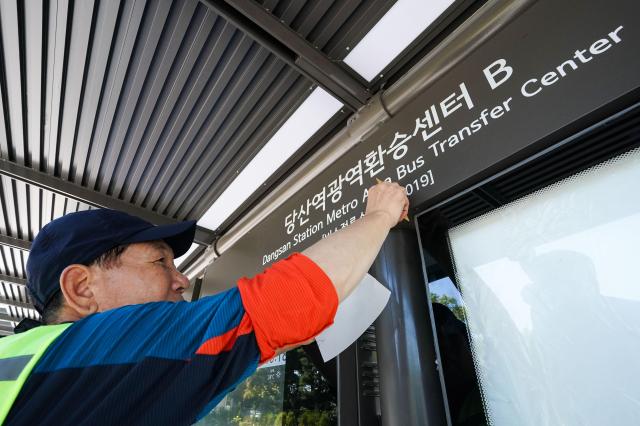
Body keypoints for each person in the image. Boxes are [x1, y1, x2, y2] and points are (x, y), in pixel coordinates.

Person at [0, 181, 409, 425]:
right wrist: (380, 215)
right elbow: (287, 302)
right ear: (82, 289)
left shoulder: (23, 363)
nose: (182, 280)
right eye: (160, 261)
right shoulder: (96, 350)